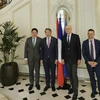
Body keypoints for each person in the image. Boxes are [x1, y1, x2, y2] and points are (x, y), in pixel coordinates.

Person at [62, 25, 81, 100]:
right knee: (70, 75)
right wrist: (63, 58)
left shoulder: (76, 36)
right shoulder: (63, 37)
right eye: (66, 29)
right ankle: (72, 88)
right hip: (66, 60)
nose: (67, 30)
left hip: (74, 59)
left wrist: (79, 58)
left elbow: (78, 48)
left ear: (71, 29)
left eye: (68, 29)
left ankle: (75, 92)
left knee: (74, 75)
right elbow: (63, 49)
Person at [82, 29, 100, 98]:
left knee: (99, 77)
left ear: (94, 34)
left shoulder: (98, 42)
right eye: (89, 34)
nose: (90, 35)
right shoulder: (85, 43)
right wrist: (88, 61)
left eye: (91, 34)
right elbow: (84, 53)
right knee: (92, 77)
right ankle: (94, 91)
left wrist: (96, 62)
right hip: (89, 63)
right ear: (87, 34)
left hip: (97, 63)